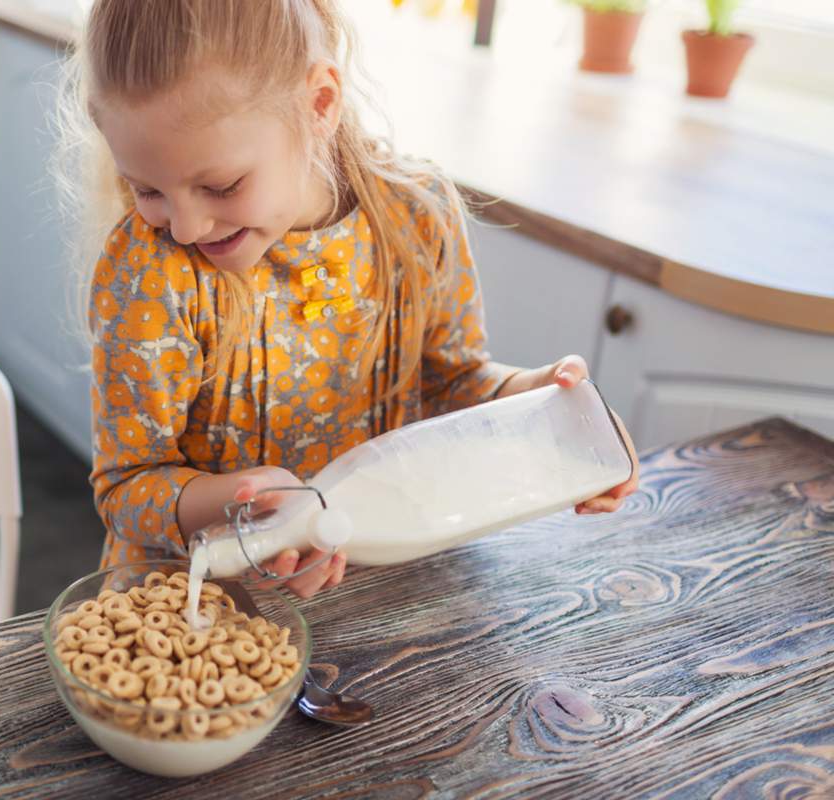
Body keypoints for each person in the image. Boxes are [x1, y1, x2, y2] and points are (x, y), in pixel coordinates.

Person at [59, 0, 640, 597]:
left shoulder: (417, 214)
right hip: (188, 605)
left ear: (319, 104)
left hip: (384, 585)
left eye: (221, 186)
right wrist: (250, 508)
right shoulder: (150, 270)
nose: (184, 226)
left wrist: (533, 401)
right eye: (147, 189)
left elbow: (449, 381)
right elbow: (126, 487)